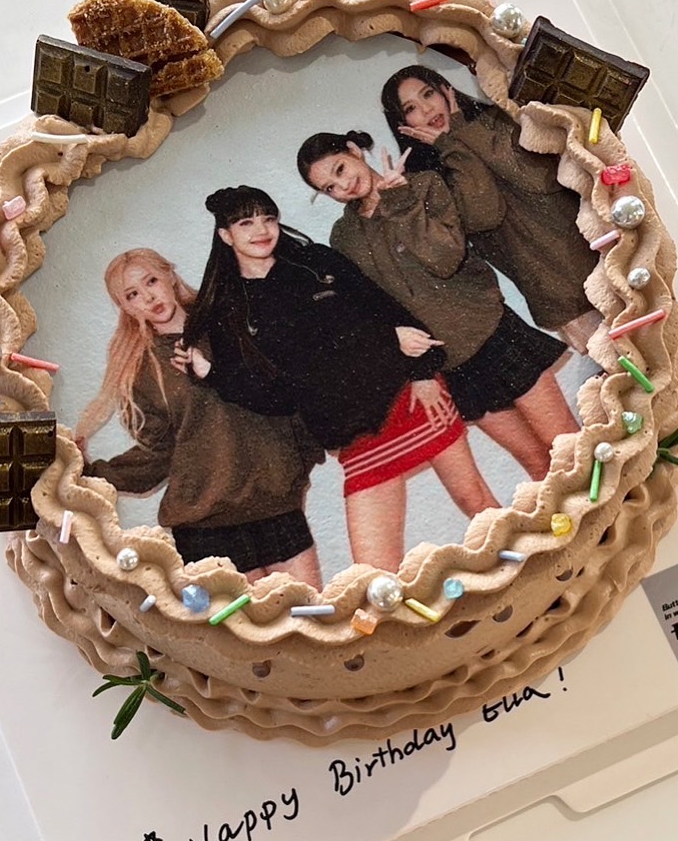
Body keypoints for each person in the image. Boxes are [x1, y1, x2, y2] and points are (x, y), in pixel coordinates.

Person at [178, 186, 498, 572]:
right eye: (246, 223)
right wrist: (211, 374)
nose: (262, 230)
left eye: (269, 218)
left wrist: (425, 372)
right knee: (374, 570)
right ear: (225, 235)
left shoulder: (317, 263)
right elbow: (276, 397)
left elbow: (387, 309)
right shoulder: (228, 309)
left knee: (477, 504)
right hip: (353, 437)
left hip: (410, 397)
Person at [297, 129, 579, 483]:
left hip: (492, 333)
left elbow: (445, 258)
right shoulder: (344, 237)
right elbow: (375, 308)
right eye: (329, 188)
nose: (343, 186)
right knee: (536, 463)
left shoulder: (423, 186)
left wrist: (400, 201)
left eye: (340, 169)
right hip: (449, 363)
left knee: (568, 445)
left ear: (354, 150)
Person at [76, 248, 324, 586]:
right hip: (206, 526)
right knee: (247, 622)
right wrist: (89, 473)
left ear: (170, 275)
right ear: (125, 307)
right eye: (132, 295)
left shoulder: (231, 321)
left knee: (308, 613)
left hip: (275, 507)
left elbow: (286, 392)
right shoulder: (143, 370)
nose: (148, 297)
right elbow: (157, 454)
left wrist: (298, 460)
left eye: (151, 281)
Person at [381, 64, 603, 354]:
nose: (426, 109)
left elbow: (536, 178)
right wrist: (450, 146)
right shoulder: (427, 181)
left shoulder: (497, 119)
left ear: (445, 90)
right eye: (411, 108)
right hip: (559, 297)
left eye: (428, 94)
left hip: (599, 255)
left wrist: (461, 132)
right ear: (403, 124)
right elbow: (485, 214)